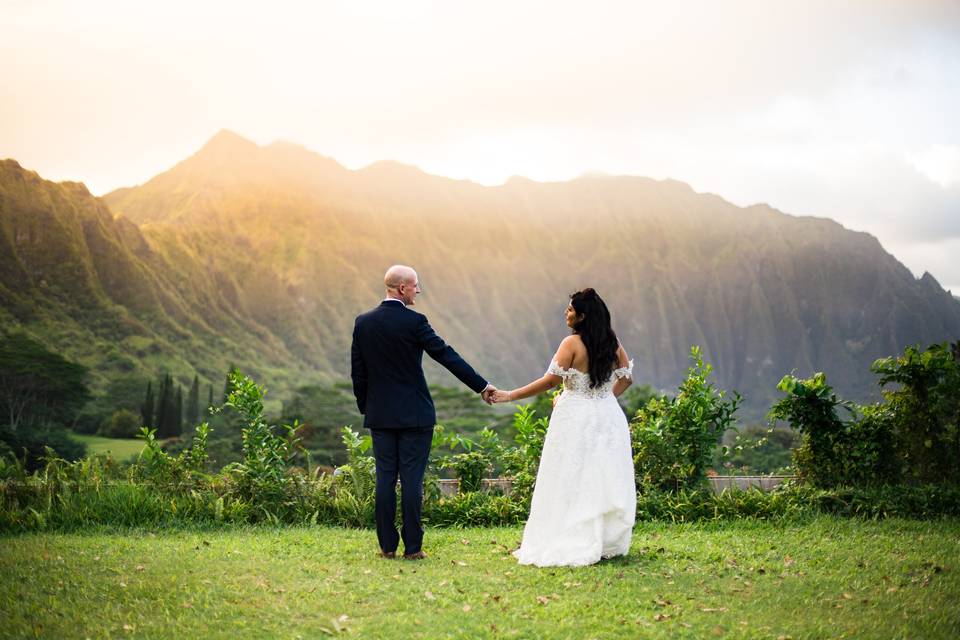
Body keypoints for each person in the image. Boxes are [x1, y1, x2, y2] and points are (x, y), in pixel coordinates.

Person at [351, 265, 496, 560]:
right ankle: (413, 548)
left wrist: (369, 407)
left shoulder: (363, 322)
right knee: (412, 481)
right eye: (416, 285)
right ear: (403, 288)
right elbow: (446, 355)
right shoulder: (415, 322)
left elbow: (358, 372)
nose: (418, 290)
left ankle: (387, 546)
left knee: (385, 479)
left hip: (380, 415)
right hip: (416, 415)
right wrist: (481, 386)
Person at [491, 288, 635, 567]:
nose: (565, 313)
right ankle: (602, 541)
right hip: (608, 416)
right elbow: (626, 378)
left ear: (581, 316)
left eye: (570, 310)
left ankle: (569, 538)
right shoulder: (612, 342)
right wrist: (602, 398)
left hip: (575, 417)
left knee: (568, 474)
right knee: (600, 475)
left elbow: (550, 382)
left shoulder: (571, 344)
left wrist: (509, 395)